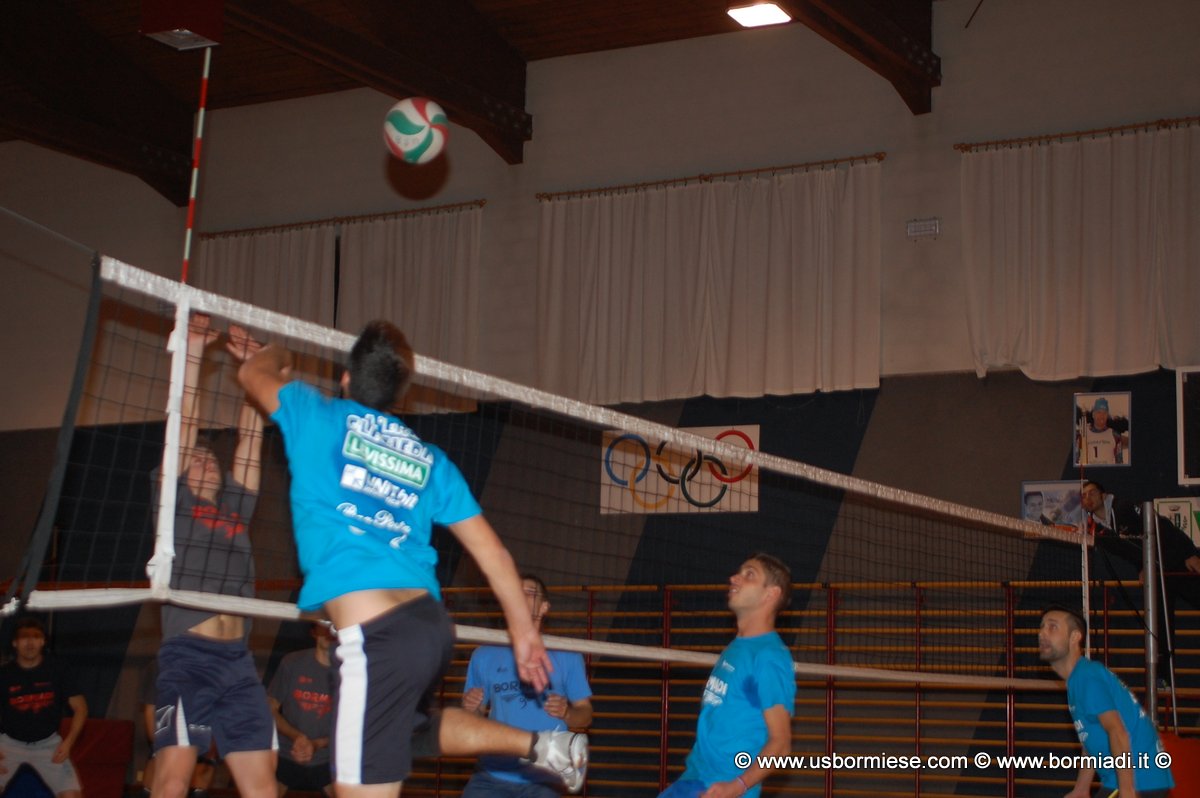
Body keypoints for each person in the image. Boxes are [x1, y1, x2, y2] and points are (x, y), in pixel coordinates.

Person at [237, 320, 587, 798]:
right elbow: (492, 551)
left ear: (345, 379)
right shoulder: (429, 459)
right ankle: (542, 745)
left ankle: (542, 746)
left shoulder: (314, 413)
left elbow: (253, 374)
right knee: (414, 731)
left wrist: (275, 350)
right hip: (428, 627)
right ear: (401, 397)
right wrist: (524, 631)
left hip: (374, 636)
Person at [150, 316, 276, 798]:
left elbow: (252, 438)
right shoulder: (174, 506)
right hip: (190, 658)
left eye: (211, 459)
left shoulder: (235, 509)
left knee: (262, 786)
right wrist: (194, 352)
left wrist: (253, 367)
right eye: (196, 459)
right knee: (174, 778)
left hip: (239, 660)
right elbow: (183, 424)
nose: (205, 460)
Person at [657, 554, 795, 798]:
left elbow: (781, 744)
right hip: (696, 779)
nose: (734, 578)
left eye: (749, 574)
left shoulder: (768, 657)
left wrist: (736, 787)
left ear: (770, 594)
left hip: (725, 787)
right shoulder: (736, 647)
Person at [461, 574, 593, 797]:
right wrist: (470, 708)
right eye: (516, 592)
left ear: (544, 607)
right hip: (492, 774)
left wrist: (567, 713)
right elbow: (473, 717)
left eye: (530, 593)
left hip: (544, 777)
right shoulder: (483, 655)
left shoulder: (567, 654)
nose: (521, 596)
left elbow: (586, 715)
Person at [1038, 605, 1173, 797]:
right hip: (1134, 779)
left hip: (1139, 780)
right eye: (1042, 627)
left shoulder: (1088, 678)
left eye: (1052, 627)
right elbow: (1093, 737)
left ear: (1075, 637)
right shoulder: (1078, 678)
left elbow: (1117, 731)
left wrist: (1127, 791)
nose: (1042, 633)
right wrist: (1081, 788)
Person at [1080, 480, 1200, 669]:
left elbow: (1162, 526)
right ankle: (1163, 676)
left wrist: (1189, 553)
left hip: (1178, 563)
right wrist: (1142, 567)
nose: (1088, 498)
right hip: (1156, 573)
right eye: (1084, 495)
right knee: (1159, 627)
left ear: (1103, 495)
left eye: (1092, 493)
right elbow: (1131, 550)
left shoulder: (1125, 508)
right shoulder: (1100, 531)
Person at [0, 616, 87, 798]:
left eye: (36, 637)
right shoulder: (5, 674)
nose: (30, 642)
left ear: (42, 642)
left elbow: (80, 708)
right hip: (9, 743)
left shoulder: (58, 670)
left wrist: (69, 742)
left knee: (72, 795)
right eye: (24, 637)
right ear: (15, 643)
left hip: (48, 744)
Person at [267, 623, 336, 797]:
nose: (328, 633)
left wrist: (317, 744)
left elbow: (354, 726)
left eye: (333, 627)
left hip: (329, 757)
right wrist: (296, 736)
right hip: (288, 752)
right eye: (323, 627)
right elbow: (270, 708)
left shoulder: (350, 671)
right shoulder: (292, 662)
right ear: (313, 632)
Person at [138, 659, 215, 798]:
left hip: (201, 751)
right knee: (169, 779)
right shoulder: (161, 665)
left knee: (199, 772)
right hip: (169, 745)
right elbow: (151, 716)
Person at [1078, 398, 1128, 465]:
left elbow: (1119, 462)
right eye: (1099, 412)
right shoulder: (1083, 434)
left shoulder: (1115, 435)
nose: (1101, 416)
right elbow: (1076, 460)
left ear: (1107, 415)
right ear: (1093, 414)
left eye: (1104, 413)